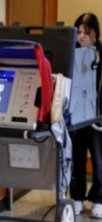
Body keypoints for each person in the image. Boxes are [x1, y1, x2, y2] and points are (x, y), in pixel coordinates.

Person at [70, 13, 102, 218]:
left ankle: (99, 199)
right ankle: (77, 197)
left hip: (98, 115)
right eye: (78, 32)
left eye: (86, 32)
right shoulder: (69, 53)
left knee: (99, 159)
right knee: (76, 157)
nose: (81, 36)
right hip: (76, 114)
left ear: (95, 34)